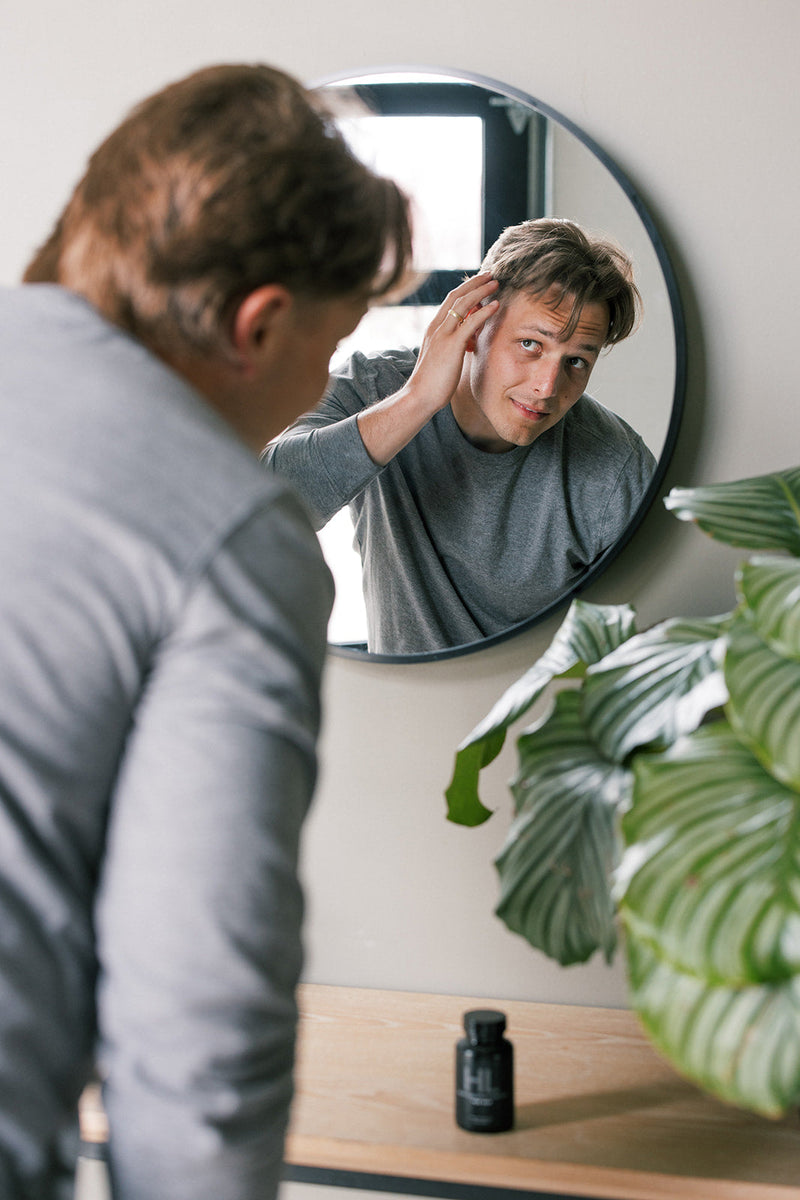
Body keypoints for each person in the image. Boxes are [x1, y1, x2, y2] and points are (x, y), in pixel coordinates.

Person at [0, 64, 411, 1199]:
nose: (318, 380)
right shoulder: (231, 534)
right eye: (326, 352)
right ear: (258, 325)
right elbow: (197, 1028)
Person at [264, 218, 656, 655]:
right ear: (474, 324)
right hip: (403, 710)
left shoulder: (614, 466)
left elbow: (648, 641)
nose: (548, 387)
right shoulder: (371, 390)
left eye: (577, 362)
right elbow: (263, 503)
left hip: (541, 715)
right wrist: (416, 400)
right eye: (531, 344)